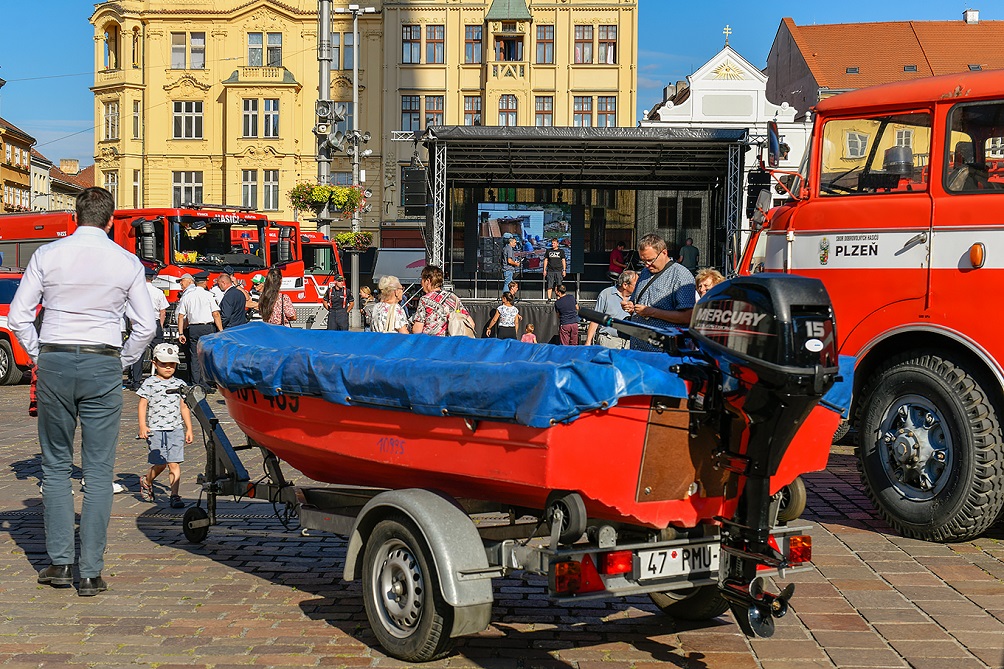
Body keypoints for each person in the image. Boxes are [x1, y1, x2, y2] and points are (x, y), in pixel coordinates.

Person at [8, 186, 157, 596]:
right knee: (97, 470)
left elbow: (20, 317)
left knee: (55, 467)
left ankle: (59, 563)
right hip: (103, 360)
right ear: (111, 221)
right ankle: (90, 571)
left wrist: (41, 356)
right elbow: (146, 326)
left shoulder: (47, 255)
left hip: (55, 357)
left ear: (75, 216)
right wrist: (121, 360)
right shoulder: (126, 261)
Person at [136, 343, 193, 509]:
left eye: (172, 364)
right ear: (155, 363)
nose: (168, 367)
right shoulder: (149, 383)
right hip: (156, 429)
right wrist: (142, 425)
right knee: (160, 463)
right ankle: (147, 480)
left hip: (175, 429)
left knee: (174, 462)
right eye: (164, 364)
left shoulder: (180, 383)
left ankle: (175, 495)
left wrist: (188, 428)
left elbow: (184, 407)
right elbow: (142, 404)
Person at [621, 233, 696, 352]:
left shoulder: (681, 275)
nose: (647, 265)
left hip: (663, 354)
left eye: (650, 260)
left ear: (664, 252)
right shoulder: (645, 273)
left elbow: (688, 317)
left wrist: (652, 312)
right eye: (643, 261)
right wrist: (630, 306)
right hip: (638, 349)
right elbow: (636, 302)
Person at [176, 271, 222, 389]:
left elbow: (181, 316)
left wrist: (181, 332)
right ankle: (206, 382)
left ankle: (196, 382)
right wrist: (221, 330)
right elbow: (216, 314)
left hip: (194, 328)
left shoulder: (187, 296)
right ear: (205, 282)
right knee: (207, 356)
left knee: (195, 356)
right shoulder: (209, 295)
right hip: (207, 328)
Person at [127, 266, 168, 390]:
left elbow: (130, 311)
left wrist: (133, 325)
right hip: (154, 323)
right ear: (152, 278)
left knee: (139, 353)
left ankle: (136, 381)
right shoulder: (158, 292)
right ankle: (161, 378)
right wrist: (160, 325)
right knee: (159, 352)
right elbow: (163, 311)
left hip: (140, 323)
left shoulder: (135, 292)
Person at [586, 270, 639, 349]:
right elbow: (595, 319)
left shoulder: (638, 297)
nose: (639, 286)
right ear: (625, 285)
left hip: (629, 344)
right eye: (636, 284)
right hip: (609, 341)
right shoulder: (606, 294)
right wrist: (588, 341)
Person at [412, 265, 469, 337]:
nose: (421, 284)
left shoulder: (424, 300)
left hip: (432, 344)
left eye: (422, 280)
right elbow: (471, 323)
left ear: (428, 281)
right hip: (451, 343)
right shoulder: (453, 297)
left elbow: (417, 330)